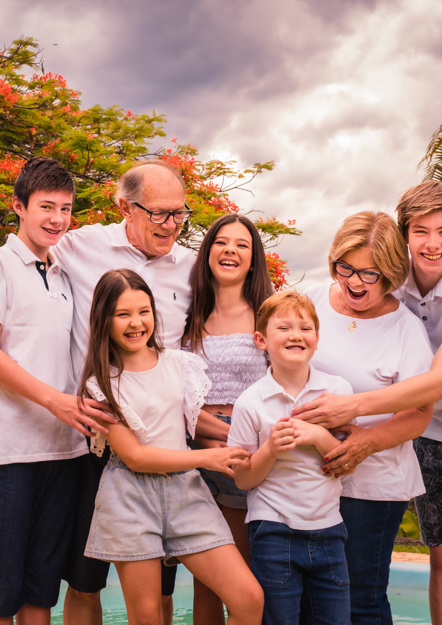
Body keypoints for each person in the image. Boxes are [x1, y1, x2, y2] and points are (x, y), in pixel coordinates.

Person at [0, 159, 197, 625]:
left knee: (43, 588)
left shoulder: (184, 266)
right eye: (158, 212)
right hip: (28, 446)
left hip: (78, 446)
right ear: (125, 207)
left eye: (179, 213)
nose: (171, 224)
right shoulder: (67, 250)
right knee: (27, 586)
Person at [297, 182, 442, 625]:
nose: (433, 244)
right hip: (428, 432)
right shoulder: (388, 275)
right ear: (404, 234)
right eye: (421, 231)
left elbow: (439, 380)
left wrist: (350, 408)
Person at [81, 269, 264, 625]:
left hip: (186, 493)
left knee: (248, 598)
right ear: (104, 319)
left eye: (143, 311)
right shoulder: (100, 383)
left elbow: (193, 420)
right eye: (123, 314)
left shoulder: (178, 364)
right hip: (128, 498)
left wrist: (246, 439)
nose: (136, 323)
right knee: (147, 616)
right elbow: (134, 456)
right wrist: (209, 458)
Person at [0, 157, 90, 625]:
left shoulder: (63, 272)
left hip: (64, 452)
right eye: (46, 206)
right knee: (2, 593)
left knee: (41, 593)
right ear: (19, 206)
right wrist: (56, 401)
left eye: (65, 208)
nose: (57, 218)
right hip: (11, 453)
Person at [302, 212, 435, 625]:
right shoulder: (309, 300)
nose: (355, 282)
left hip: (373, 486)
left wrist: (365, 443)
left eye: (370, 274)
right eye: (347, 268)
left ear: (393, 274)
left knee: (361, 599)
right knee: (306, 598)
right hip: (305, 477)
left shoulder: (406, 329)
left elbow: (419, 414)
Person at [227, 290, 353, 625]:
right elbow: (243, 479)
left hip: (330, 530)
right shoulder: (250, 403)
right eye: (283, 328)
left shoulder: (337, 392)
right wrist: (269, 449)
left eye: (305, 328)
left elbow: (348, 464)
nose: (296, 335)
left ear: (317, 337)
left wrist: (319, 436)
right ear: (261, 339)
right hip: (273, 531)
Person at [182, 214, 274, 625]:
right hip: (197, 457)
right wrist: (211, 440)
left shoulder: (268, 314)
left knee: (246, 576)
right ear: (208, 252)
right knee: (208, 580)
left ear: (253, 259)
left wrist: (239, 442)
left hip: (249, 460)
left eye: (242, 244)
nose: (230, 251)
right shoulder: (185, 313)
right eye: (221, 242)